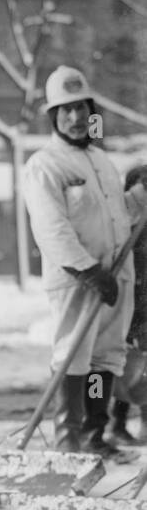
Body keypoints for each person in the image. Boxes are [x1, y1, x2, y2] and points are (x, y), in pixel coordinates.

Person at [22, 66, 141, 456]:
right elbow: (51, 227)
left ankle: (94, 435)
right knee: (74, 355)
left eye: (81, 108)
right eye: (64, 110)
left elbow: (116, 213)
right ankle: (67, 439)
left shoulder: (102, 161)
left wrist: (140, 195)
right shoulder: (44, 166)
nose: (74, 118)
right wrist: (88, 270)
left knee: (105, 359)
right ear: (53, 117)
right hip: (78, 279)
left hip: (115, 276)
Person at [108, 165, 147, 445]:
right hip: (129, 300)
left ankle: (145, 424)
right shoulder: (125, 224)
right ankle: (116, 423)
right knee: (120, 366)